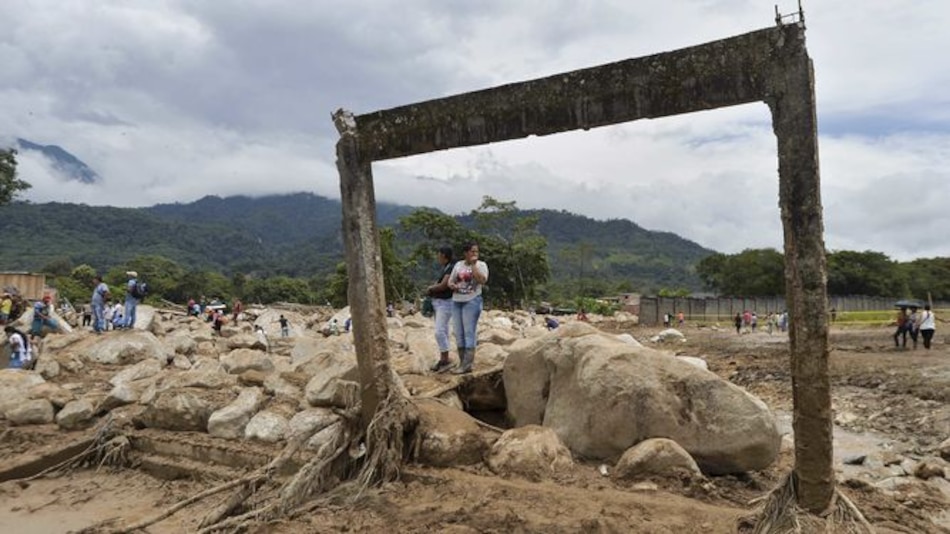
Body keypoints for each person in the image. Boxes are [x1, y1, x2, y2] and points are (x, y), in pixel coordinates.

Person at [448, 242, 488, 375]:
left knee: (469, 332)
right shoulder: (458, 265)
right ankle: (462, 362)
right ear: (465, 253)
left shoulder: (481, 265)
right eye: (472, 251)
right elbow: (451, 281)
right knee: (458, 332)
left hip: (472, 300)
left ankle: (467, 364)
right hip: (457, 300)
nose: (475, 254)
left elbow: (482, 280)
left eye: (477, 251)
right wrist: (452, 285)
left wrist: (473, 265)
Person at [428, 246, 456, 373]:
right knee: (443, 330)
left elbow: (444, 285)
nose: (437, 257)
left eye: (439, 255)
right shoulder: (447, 267)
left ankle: (445, 359)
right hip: (442, 303)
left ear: (444, 256)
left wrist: (431, 288)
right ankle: (443, 358)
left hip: (445, 303)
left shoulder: (450, 268)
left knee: (439, 331)